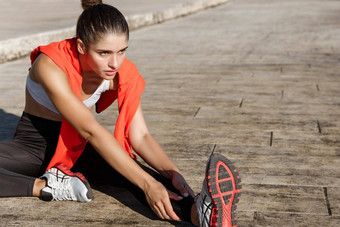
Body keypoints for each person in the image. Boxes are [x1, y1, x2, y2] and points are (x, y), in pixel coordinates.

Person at [0, 0, 241, 226]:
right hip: (34, 144)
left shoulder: (122, 72)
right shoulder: (50, 64)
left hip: (78, 147)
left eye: (122, 51)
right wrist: (148, 184)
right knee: (146, 182)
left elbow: (141, 137)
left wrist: (172, 172)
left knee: (147, 180)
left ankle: (201, 214)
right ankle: (47, 186)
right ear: (82, 46)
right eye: (104, 53)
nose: (115, 63)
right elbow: (91, 129)